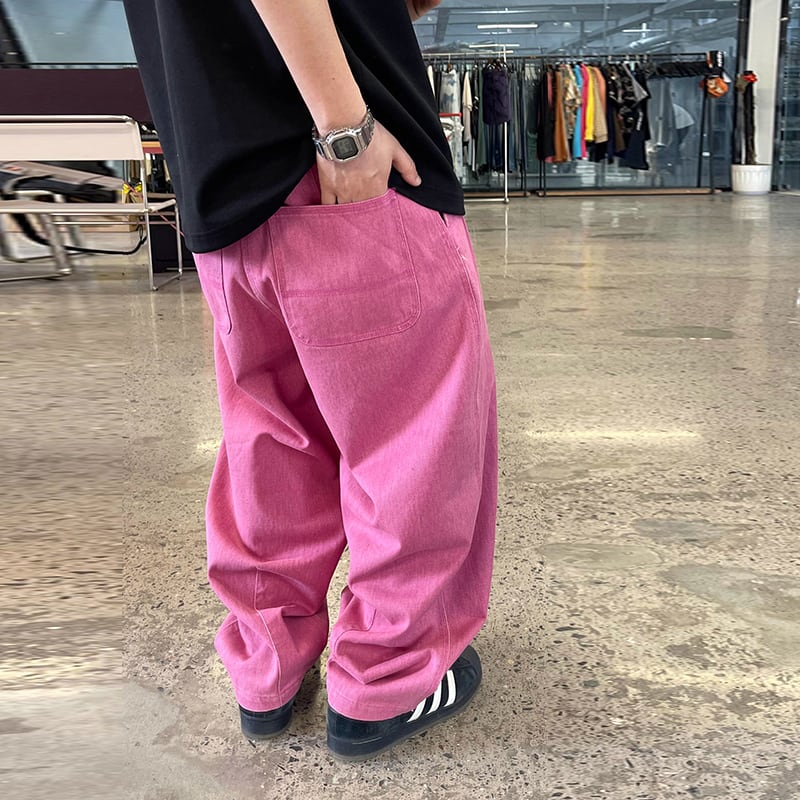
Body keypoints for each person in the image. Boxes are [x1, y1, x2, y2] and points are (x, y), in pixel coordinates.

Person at [123, 0, 498, 761]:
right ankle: (387, 680)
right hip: (340, 162)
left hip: (223, 184)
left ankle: (268, 669)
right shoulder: (343, 136)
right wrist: (345, 127)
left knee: (271, 439)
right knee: (413, 443)